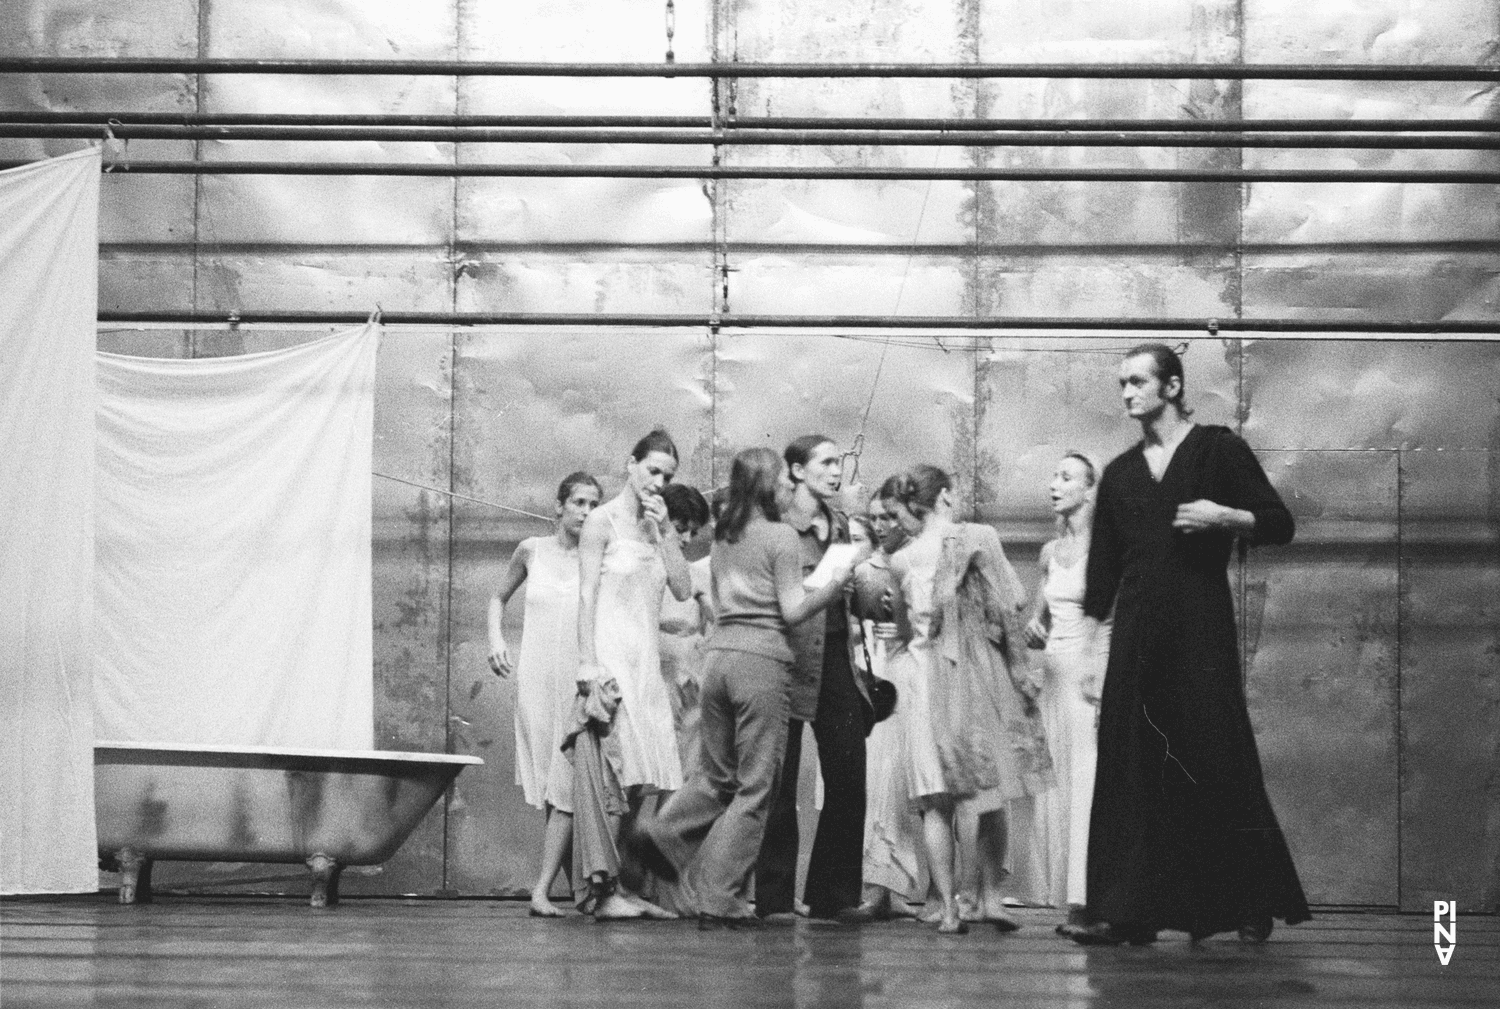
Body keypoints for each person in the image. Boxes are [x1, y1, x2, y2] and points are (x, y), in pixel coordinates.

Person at [1073, 343, 1310, 946]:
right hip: (1136, 637)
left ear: (1172, 387)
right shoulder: (1122, 473)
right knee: (1133, 767)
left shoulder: (1217, 449)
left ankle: (1246, 902)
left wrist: (1224, 516)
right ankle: (1129, 910)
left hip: (1199, 627)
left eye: (1136, 382)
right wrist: (1088, 656)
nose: (1126, 393)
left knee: (1216, 756)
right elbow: (1101, 575)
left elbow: (1278, 523)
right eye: (1121, 383)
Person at [633, 447, 865, 928]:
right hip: (762, 664)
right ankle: (720, 895)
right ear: (765, 485)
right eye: (780, 480)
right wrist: (837, 577)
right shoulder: (780, 536)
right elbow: (794, 610)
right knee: (757, 787)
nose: (785, 486)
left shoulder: (725, 537)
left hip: (719, 660)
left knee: (716, 777)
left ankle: (662, 835)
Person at [880, 465, 1053, 934]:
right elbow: (1013, 599)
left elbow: (899, 628)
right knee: (992, 789)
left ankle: (949, 908)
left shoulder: (900, 559)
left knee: (936, 800)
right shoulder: (978, 536)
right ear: (945, 497)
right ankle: (990, 898)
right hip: (975, 675)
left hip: (922, 682)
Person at [570, 429, 693, 920]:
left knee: (648, 779)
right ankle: (605, 892)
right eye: (652, 470)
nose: (658, 481)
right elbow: (585, 595)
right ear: (631, 463)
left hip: (646, 663)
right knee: (614, 777)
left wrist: (664, 532)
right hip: (610, 658)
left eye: (667, 475)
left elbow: (683, 590)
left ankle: (629, 886)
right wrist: (586, 662)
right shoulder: (601, 521)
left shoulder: (655, 526)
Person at [754, 435, 869, 921]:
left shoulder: (844, 525)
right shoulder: (779, 528)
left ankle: (834, 895)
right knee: (779, 782)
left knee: (848, 774)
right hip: (788, 658)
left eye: (839, 461)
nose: (836, 470)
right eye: (826, 462)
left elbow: (858, 598)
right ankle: (775, 899)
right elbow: (787, 598)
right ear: (797, 471)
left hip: (839, 657)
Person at [487, 471, 602, 917]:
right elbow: (497, 597)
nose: (586, 513)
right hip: (536, 680)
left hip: (577, 681)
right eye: (578, 502)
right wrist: (496, 639)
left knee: (568, 784)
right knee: (554, 789)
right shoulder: (531, 550)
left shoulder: (597, 559)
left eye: (594, 505)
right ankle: (578, 890)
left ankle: (541, 889)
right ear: (559, 505)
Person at [1022, 452, 1109, 935]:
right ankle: (1072, 896)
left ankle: (1087, 899)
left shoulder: (1106, 550)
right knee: (1059, 786)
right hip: (1053, 676)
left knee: (1087, 782)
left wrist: (1099, 667)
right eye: (1054, 475)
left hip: (1085, 674)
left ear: (1091, 490)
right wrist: (1035, 628)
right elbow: (1041, 620)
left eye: (1067, 477)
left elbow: (1111, 619)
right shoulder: (1049, 552)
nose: (1055, 484)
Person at [838, 489, 927, 923]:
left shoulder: (915, 561)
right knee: (876, 781)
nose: (879, 525)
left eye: (887, 516)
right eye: (873, 517)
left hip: (910, 674)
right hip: (873, 674)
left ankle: (896, 889)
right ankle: (874, 888)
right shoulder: (862, 568)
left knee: (904, 783)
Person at [659, 483, 714, 777]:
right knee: (637, 779)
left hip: (688, 684)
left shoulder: (697, 575)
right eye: (681, 528)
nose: (686, 539)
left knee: (683, 773)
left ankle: (666, 824)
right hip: (650, 682)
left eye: (693, 532)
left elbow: (719, 624)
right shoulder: (639, 570)